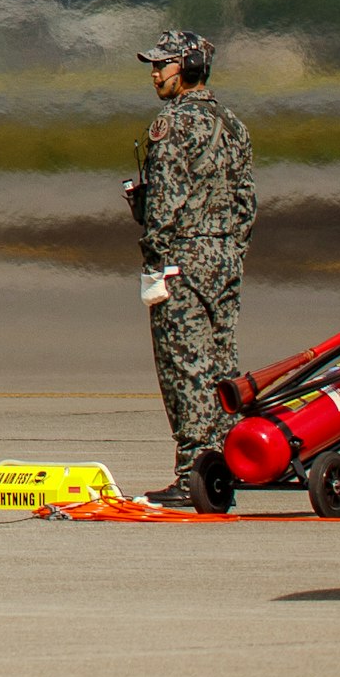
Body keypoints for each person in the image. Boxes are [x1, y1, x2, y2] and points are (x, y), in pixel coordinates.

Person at [124, 26, 255, 507]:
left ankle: (194, 473)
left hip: (181, 259)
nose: (155, 73)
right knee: (222, 364)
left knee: (184, 367)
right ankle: (230, 462)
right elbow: (246, 203)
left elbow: (166, 207)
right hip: (224, 259)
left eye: (163, 65)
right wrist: (229, 251)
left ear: (190, 69)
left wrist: (155, 258)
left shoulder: (171, 125)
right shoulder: (234, 124)